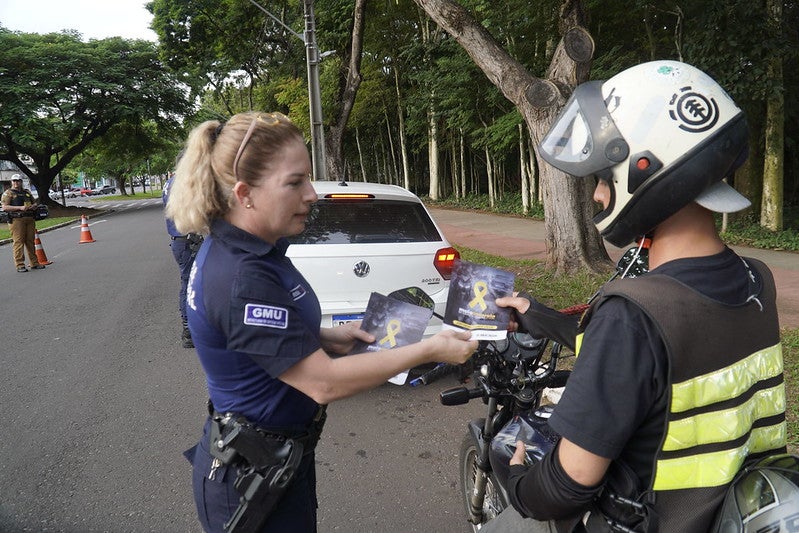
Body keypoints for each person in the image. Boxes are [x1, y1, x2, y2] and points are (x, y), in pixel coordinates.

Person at [482, 60, 786, 532]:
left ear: (648, 170)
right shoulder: (756, 281)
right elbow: (660, 354)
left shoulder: (633, 315)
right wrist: (537, 315)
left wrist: (518, 481)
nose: (598, 195)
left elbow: (567, 485)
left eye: (604, 177)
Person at [165, 111, 477, 533]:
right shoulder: (243, 277)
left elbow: (258, 340)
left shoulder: (256, 249)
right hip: (250, 483)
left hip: (274, 462)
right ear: (245, 194)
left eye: (308, 179)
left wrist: (329, 335)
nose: (312, 194)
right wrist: (430, 349)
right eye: (295, 183)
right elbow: (323, 383)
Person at [163, 170, 203, 348]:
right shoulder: (182, 183)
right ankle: (188, 330)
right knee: (189, 285)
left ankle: (191, 327)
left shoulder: (170, 183)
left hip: (181, 241)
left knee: (189, 283)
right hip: (187, 241)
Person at [1, 174, 45, 272]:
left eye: (18, 180)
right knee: (19, 242)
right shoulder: (8, 193)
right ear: (11, 182)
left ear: (21, 181)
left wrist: (34, 206)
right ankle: (20, 265)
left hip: (29, 218)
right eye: (14, 181)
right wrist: (19, 208)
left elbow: (34, 202)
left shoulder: (26, 192)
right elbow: (5, 207)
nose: (16, 183)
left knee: (30, 241)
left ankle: (34, 263)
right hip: (17, 219)